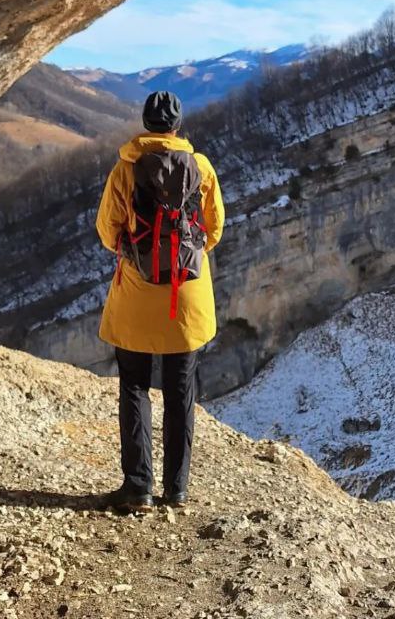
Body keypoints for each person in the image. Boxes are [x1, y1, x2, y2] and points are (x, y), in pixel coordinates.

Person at [95, 89, 224, 511]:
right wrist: (186, 258)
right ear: (177, 126)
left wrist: (136, 255)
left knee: (134, 386)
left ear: (146, 125)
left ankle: (138, 487)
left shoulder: (126, 169)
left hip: (136, 294)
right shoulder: (201, 167)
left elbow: (106, 229)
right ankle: (178, 488)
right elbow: (215, 228)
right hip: (186, 298)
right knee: (180, 390)